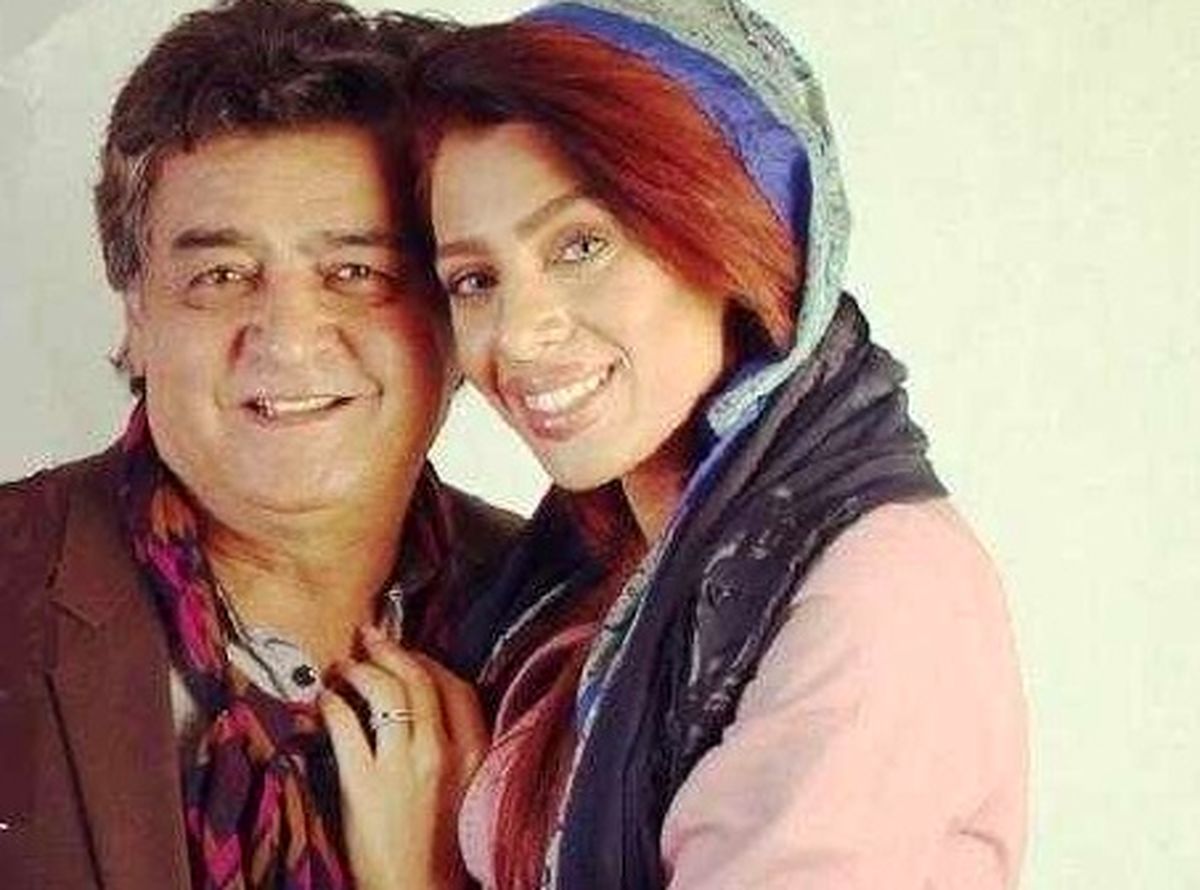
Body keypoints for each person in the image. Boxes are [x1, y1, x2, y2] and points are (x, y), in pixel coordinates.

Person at [403, 1, 1028, 887]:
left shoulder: (877, 589)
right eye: (475, 280)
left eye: (581, 246)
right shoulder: (582, 573)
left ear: (728, 235)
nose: (516, 333)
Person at [0, 1, 520, 888]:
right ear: (136, 314)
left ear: (455, 312)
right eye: (221, 274)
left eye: (356, 271)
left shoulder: (575, 619)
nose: (286, 338)